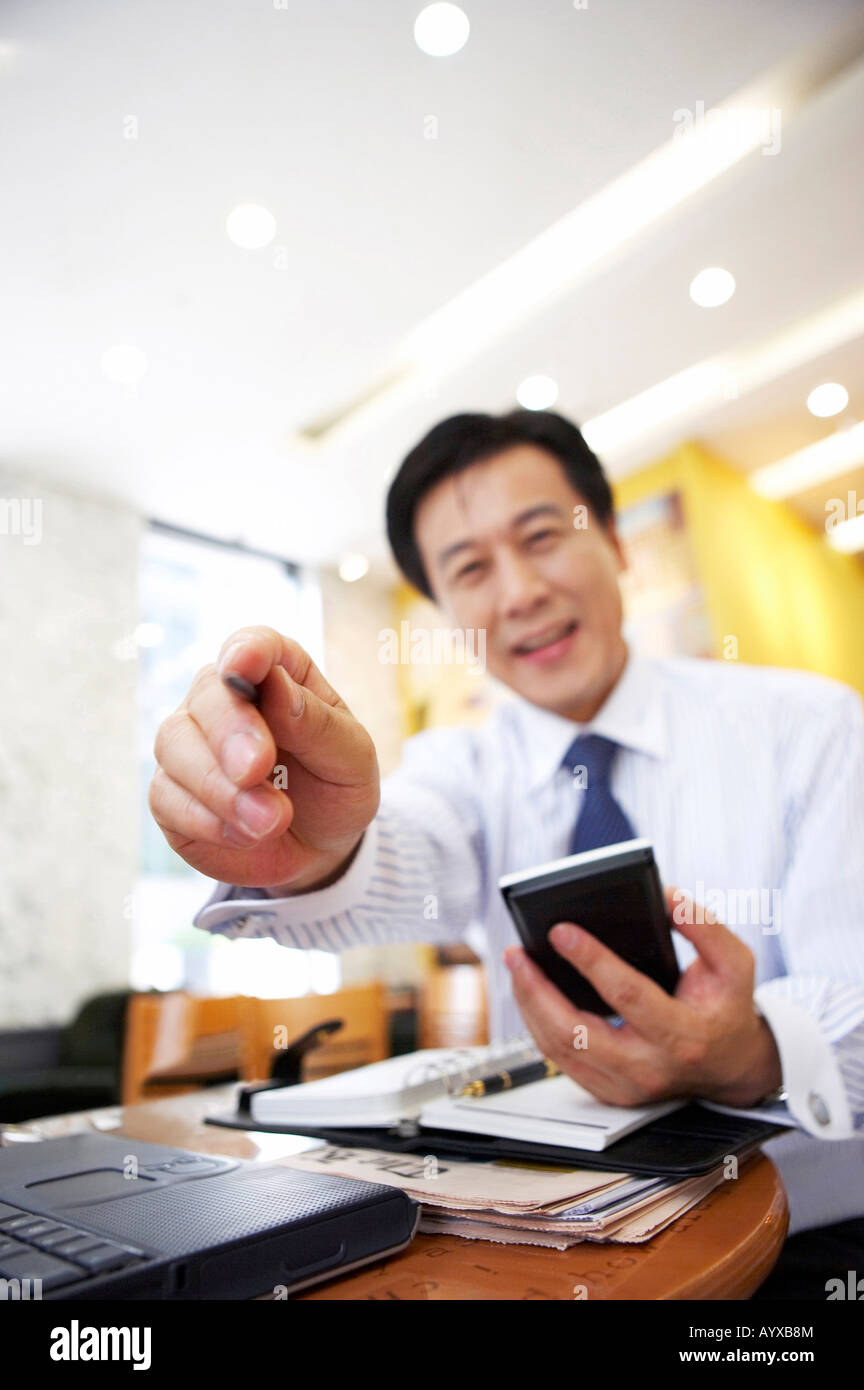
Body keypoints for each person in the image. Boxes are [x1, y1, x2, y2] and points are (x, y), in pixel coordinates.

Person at [149, 409, 864, 1298]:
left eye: (543, 537)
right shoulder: (463, 764)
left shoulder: (813, 727)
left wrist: (751, 1050)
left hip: (809, 1239)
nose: (519, 590)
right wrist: (312, 849)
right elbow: (403, 847)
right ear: (449, 613)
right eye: (472, 569)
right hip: (543, 1247)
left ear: (614, 541)